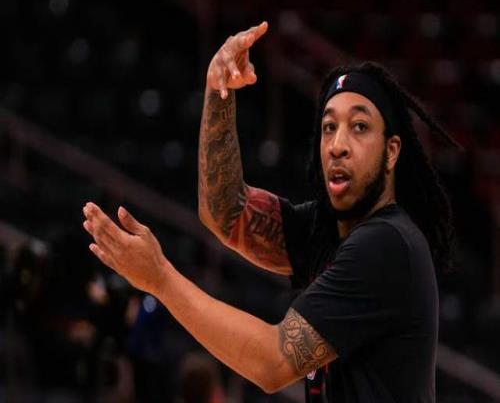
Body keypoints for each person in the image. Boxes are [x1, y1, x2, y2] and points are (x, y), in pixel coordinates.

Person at [82, 21, 461, 402]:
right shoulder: (329, 232)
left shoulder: (386, 243)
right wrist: (219, 93)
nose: (338, 145)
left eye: (359, 126)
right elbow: (226, 213)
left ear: (392, 151)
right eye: (329, 127)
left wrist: (160, 278)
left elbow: (272, 363)